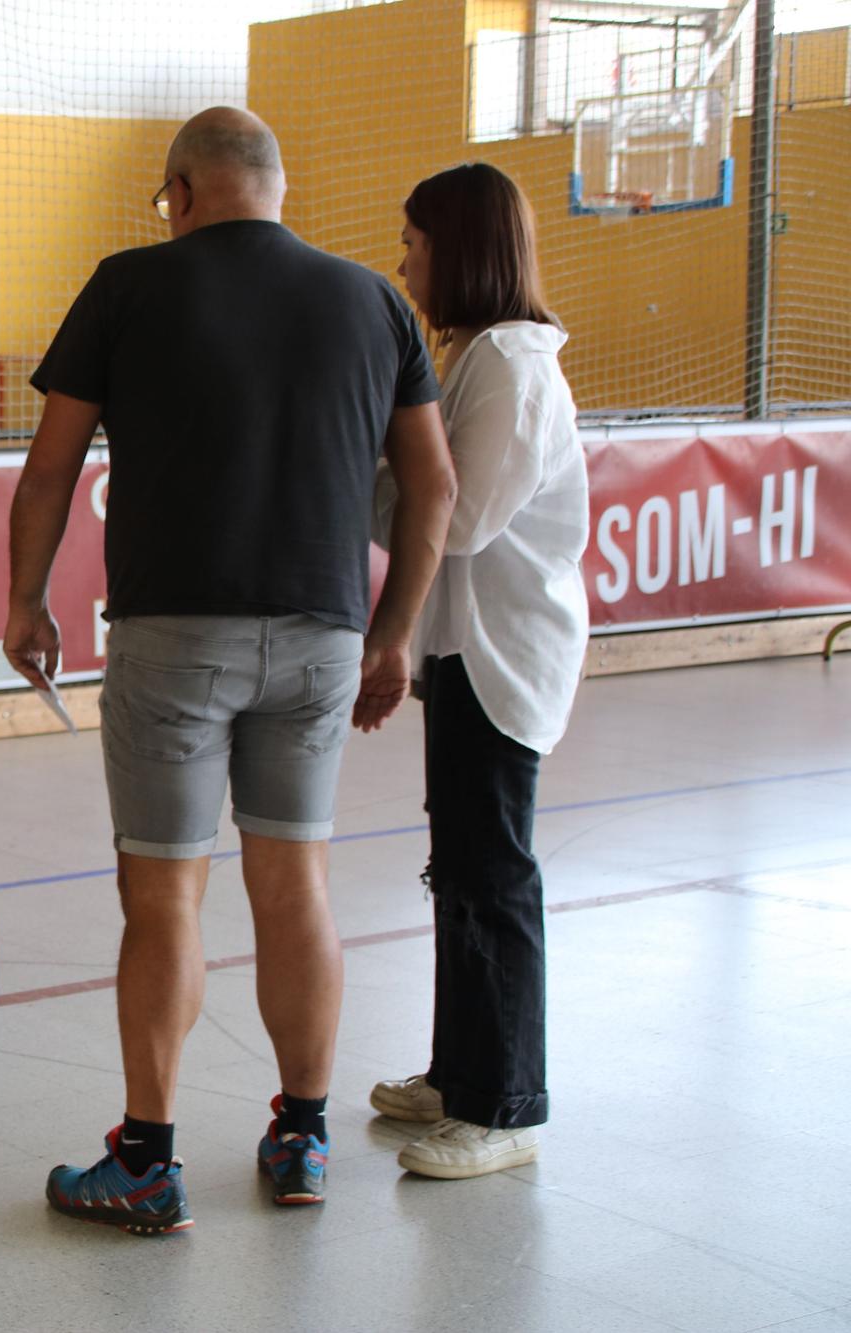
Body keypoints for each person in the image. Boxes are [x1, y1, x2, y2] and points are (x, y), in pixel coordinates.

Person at [5, 107, 457, 1229]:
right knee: (292, 885)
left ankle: (149, 1161)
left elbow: (50, 467)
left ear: (180, 191)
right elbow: (433, 485)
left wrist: (21, 600)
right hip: (320, 635)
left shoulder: (125, 283)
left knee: (161, 896)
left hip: (171, 639)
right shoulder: (371, 300)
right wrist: (393, 630)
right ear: (275, 187)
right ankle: (300, 1138)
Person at [369, 163, 588, 1179]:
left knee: (492, 875)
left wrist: (384, 472)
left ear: (458, 246)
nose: (403, 257)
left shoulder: (506, 361)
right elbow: (414, 501)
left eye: (414, 239)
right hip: (460, 652)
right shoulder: (472, 357)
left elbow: (458, 516)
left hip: (502, 656)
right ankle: (458, 1074)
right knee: (454, 870)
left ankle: (504, 1107)